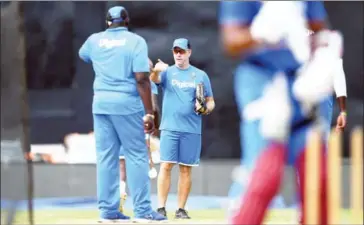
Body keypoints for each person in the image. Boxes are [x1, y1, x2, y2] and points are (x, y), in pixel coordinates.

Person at [218, 1, 342, 224]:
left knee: (317, 176)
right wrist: (259, 34)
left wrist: (325, 54)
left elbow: (318, 28)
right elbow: (231, 41)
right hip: (262, 79)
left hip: (304, 79)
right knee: (266, 173)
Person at [78, 5, 166, 222]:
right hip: (127, 105)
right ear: (126, 21)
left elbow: (84, 55)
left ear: (108, 22)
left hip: (101, 105)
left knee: (106, 158)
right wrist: (149, 113)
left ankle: (107, 212)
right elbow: (142, 79)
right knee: (136, 156)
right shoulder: (136, 41)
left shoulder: (94, 40)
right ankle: (143, 212)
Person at [149, 38, 215, 219]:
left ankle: (181, 209)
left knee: (186, 169)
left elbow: (210, 101)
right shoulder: (168, 72)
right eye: (175, 51)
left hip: (192, 128)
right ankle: (161, 208)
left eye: (182, 51)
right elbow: (153, 80)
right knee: (166, 165)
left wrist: (206, 109)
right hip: (170, 127)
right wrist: (156, 70)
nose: (178, 54)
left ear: (189, 52)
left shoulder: (200, 75)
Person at [118, 58, 161, 213]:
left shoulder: (125, 84)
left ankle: (122, 194)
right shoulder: (149, 85)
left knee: (123, 165)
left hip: (128, 126)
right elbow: (153, 109)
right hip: (138, 127)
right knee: (137, 166)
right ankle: (138, 203)